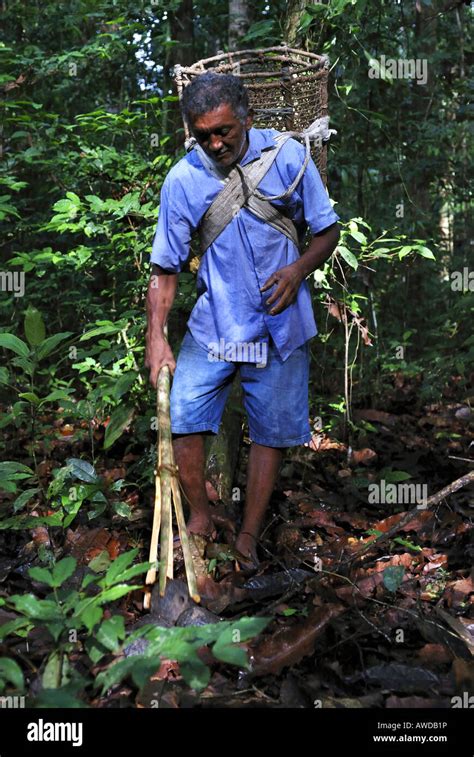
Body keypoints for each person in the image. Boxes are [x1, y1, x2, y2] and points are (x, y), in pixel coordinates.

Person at [145, 72, 340, 568]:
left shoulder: (289, 157)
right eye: (203, 135)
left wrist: (298, 271)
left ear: (248, 118)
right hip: (216, 325)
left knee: (271, 431)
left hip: (280, 323)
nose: (215, 143)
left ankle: (250, 535)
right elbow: (165, 268)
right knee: (184, 415)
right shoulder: (183, 180)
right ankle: (202, 516)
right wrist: (157, 339)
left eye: (224, 132)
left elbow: (327, 231)